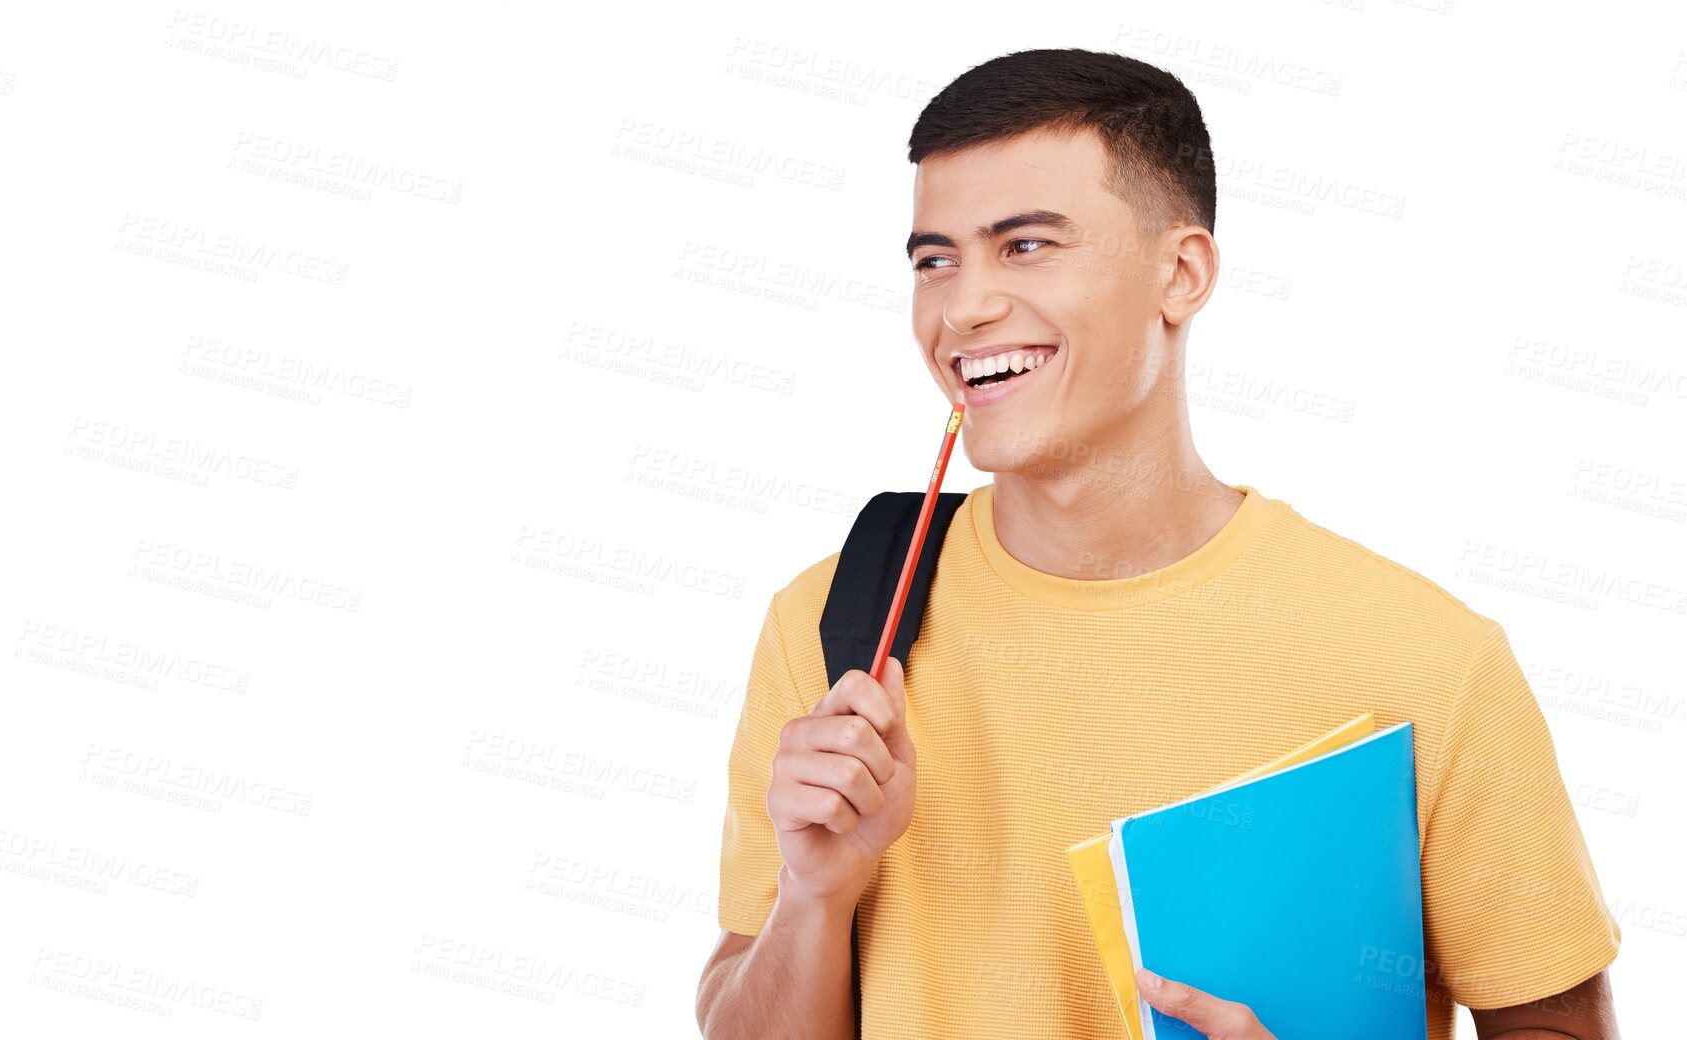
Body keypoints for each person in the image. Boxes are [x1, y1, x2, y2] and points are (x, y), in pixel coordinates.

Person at [695, 48, 1622, 1040]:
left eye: (1025, 247)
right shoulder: (836, 625)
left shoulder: (1428, 658)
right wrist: (814, 892)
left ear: (1180, 273)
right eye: (934, 259)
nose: (960, 308)